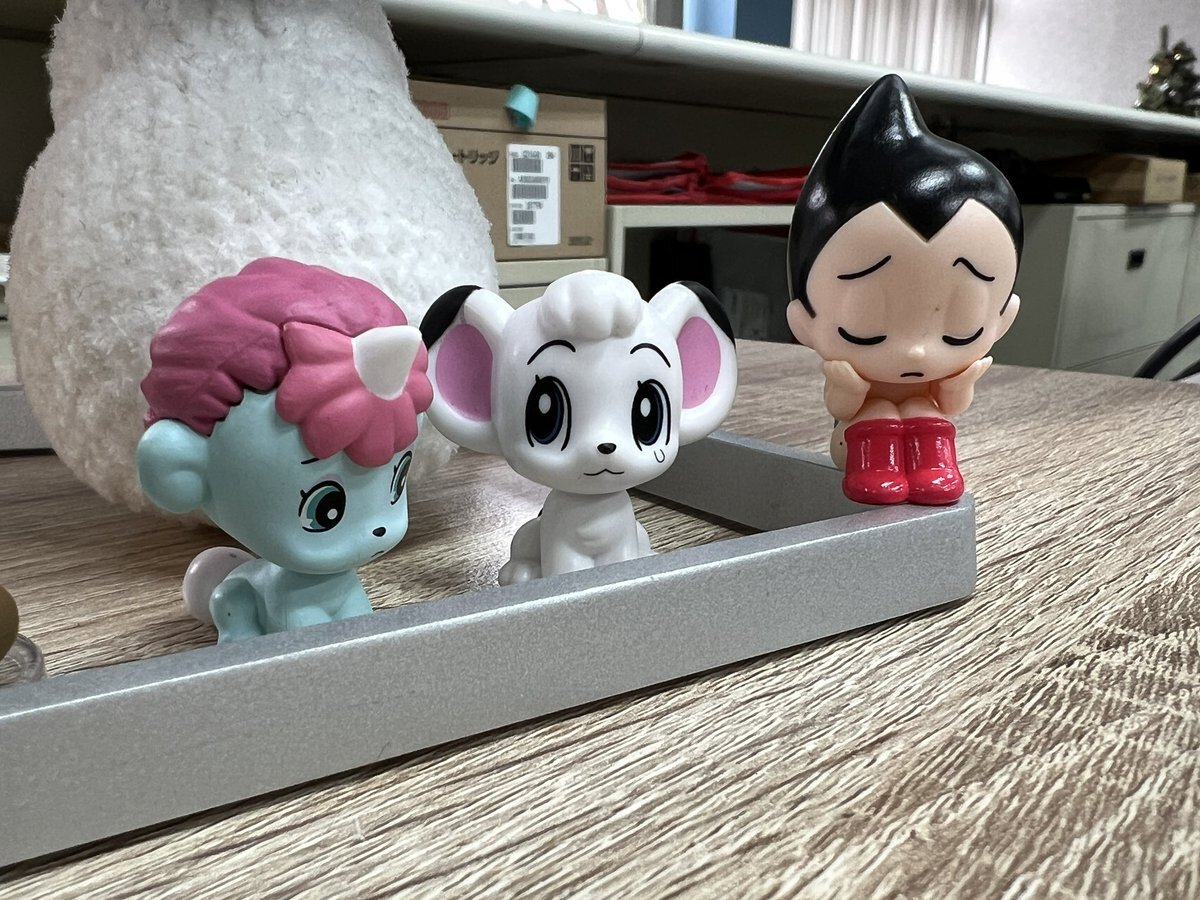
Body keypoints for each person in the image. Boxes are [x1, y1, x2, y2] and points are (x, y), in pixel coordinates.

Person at [137, 257, 432, 640]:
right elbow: (310, 654)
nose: (378, 527)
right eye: (325, 509)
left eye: (397, 481)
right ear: (181, 468)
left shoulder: (344, 575)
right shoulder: (281, 596)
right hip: (259, 610)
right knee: (236, 603)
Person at [787, 74, 1022, 505]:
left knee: (922, 410)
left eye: (963, 322)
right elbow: (842, 409)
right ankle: (876, 467)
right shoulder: (854, 375)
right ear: (804, 319)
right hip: (854, 442)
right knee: (879, 410)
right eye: (865, 322)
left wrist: (961, 382)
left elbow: (952, 406)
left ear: (1003, 317)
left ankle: (934, 466)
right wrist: (847, 387)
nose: (916, 351)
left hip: (925, 429)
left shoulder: (934, 377)